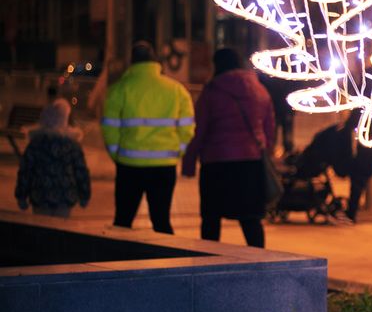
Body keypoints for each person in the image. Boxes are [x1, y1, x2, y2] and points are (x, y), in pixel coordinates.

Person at [182, 48, 274, 247]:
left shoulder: (212, 91)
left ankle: (209, 262)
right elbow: (269, 129)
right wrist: (267, 154)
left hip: (217, 164)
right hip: (250, 163)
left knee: (211, 218)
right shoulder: (259, 89)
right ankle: (260, 263)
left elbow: (200, 129)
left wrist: (189, 162)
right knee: (250, 218)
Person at [102, 41, 195, 234]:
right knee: (161, 221)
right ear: (155, 62)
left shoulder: (119, 89)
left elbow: (109, 127)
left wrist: (116, 154)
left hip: (129, 165)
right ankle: (167, 261)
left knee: (122, 221)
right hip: (164, 166)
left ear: (132, 62)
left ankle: (116, 262)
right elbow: (188, 126)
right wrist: (179, 150)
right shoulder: (176, 90)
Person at [14, 99, 91, 218]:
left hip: (40, 195)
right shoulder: (71, 144)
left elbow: (26, 171)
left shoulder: (36, 143)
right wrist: (84, 195)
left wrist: (21, 195)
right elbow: (80, 171)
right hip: (64, 196)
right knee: (60, 231)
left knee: (41, 230)